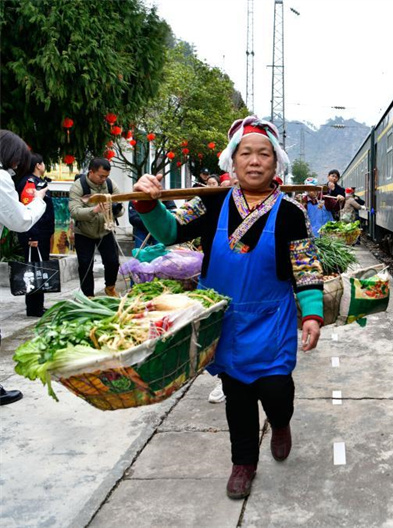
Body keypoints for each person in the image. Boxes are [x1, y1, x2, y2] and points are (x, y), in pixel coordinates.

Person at [132, 116, 323, 500]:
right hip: (225, 321)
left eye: (263, 154)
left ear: (276, 163)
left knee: (276, 388)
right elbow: (170, 230)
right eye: (246, 153)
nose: (254, 161)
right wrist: (146, 201)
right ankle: (243, 464)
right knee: (236, 395)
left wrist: (313, 314)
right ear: (232, 162)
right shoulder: (212, 201)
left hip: (271, 321)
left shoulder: (290, 213)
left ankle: (281, 421)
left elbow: (305, 268)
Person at [0, 130, 48, 406]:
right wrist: (39, 200)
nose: (19, 165)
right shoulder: (2, 178)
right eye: (18, 159)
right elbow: (20, 220)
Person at [68, 158, 123, 297]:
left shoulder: (110, 184)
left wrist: (115, 210)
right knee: (85, 264)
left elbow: (121, 206)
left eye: (106, 176)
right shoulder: (78, 186)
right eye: (101, 176)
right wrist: (95, 210)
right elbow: (74, 211)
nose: (104, 179)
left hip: (105, 229)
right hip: (84, 232)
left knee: (113, 261)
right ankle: (88, 295)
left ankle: (110, 287)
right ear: (91, 172)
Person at [16, 153, 55, 317]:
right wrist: (32, 237)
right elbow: (29, 213)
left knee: (39, 269)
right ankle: (33, 308)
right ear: (38, 165)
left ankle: (38, 305)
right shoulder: (29, 184)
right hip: (35, 236)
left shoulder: (38, 182)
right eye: (43, 163)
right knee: (34, 270)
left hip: (42, 235)